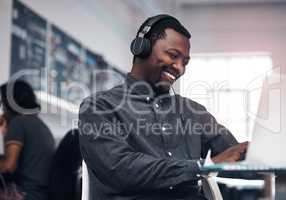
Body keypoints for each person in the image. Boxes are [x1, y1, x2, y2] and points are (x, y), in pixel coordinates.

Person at [78, 14, 248, 199]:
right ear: (142, 48)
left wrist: (256, 153)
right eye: (173, 55)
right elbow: (122, 169)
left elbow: (234, 156)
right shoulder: (99, 107)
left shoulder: (192, 111)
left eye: (185, 62)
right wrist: (201, 166)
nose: (179, 68)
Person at [0, 80, 55, 200]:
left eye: (3, 103)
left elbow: (9, 166)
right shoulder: (40, 125)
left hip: (24, 194)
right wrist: (5, 131)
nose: (2, 109)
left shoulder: (18, 123)